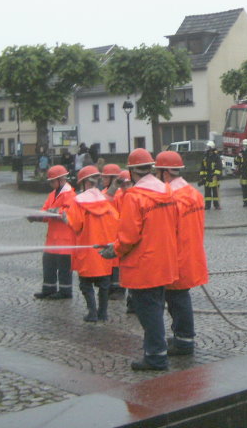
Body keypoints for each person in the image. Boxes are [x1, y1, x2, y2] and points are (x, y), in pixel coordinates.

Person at [100, 148, 179, 371]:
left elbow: (128, 237)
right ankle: (157, 351)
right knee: (155, 307)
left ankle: (155, 356)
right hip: (165, 260)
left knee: (148, 312)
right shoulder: (166, 190)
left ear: (133, 170)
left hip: (144, 265)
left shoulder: (135, 197)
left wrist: (112, 250)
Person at [154, 151, 208, 356]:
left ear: (164, 172)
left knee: (177, 300)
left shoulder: (170, 197)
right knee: (179, 298)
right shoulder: (194, 194)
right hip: (192, 253)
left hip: (175, 256)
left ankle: (184, 340)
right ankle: (182, 336)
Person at [65, 166, 119, 322]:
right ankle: (103, 313)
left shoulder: (79, 202)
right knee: (104, 285)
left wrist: (65, 219)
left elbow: (75, 225)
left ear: (82, 183)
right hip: (103, 251)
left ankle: (92, 313)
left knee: (86, 285)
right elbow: (116, 221)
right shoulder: (105, 201)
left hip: (87, 250)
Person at [28, 165, 76, 299]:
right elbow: (45, 212)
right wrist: (35, 217)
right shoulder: (52, 195)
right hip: (52, 239)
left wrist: (51, 212)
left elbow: (65, 212)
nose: (50, 183)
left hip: (65, 240)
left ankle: (65, 292)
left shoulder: (70, 195)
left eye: (52, 181)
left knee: (64, 268)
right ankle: (48, 289)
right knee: (48, 264)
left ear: (61, 180)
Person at [100, 163, 126, 301]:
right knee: (111, 262)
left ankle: (119, 289)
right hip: (107, 232)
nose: (103, 180)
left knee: (117, 263)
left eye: (105, 177)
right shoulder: (105, 192)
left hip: (117, 233)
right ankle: (111, 287)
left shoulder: (120, 194)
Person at [199, 141, 223, 210]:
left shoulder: (216, 157)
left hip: (214, 178)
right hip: (207, 178)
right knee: (207, 193)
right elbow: (202, 167)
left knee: (215, 193)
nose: (206, 149)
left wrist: (216, 175)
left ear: (211, 148)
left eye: (208, 147)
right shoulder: (205, 157)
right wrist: (202, 177)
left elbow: (219, 167)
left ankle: (216, 205)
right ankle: (207, 205)